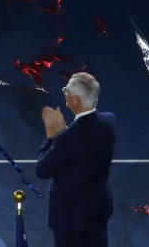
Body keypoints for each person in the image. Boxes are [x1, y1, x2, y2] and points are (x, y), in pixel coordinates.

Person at [36, 72, 115, 247]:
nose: (64, 92)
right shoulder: (109, 121)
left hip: (70, 218)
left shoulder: (67, 138)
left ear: (76, 100)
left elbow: (42, 169)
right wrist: (64, 133)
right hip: (99, 208)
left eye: (67, 90)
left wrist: (51, 136)